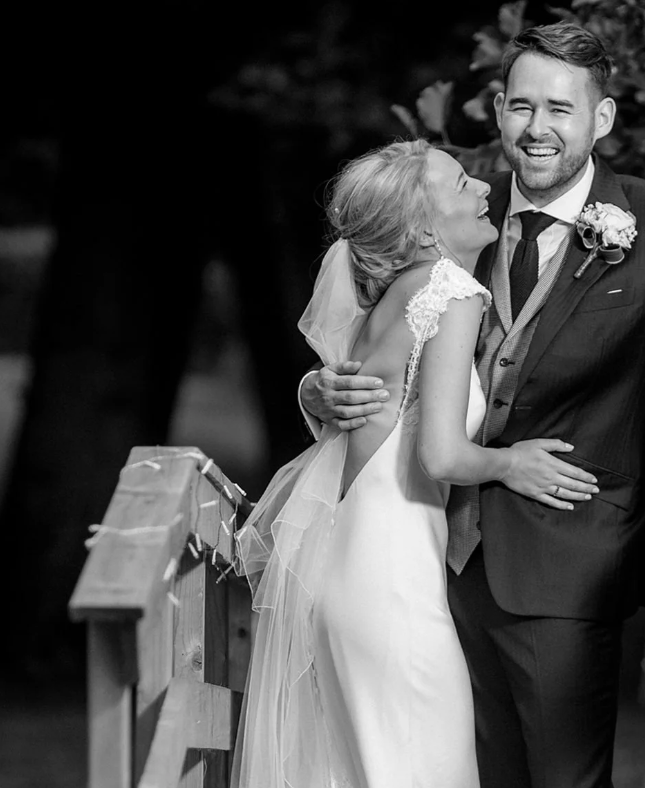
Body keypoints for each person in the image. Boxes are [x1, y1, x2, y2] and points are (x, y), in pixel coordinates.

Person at [300, 23, 645, 788]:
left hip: (566, 559)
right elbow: (371, 330)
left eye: (561, 108)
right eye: (522, 106)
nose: (538, 128)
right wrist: (319, 388)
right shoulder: (456, 208)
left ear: (603, 118)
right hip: (428, 563)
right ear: (498, 109)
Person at [234, 139, 600, 788]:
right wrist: (513, 462)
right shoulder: (450, 291)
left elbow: (355, 415)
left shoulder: (386, 303)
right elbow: (442, 453)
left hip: (347, 570)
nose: (485, 188)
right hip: (392, 581)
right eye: (462, 185)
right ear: (424, 225)